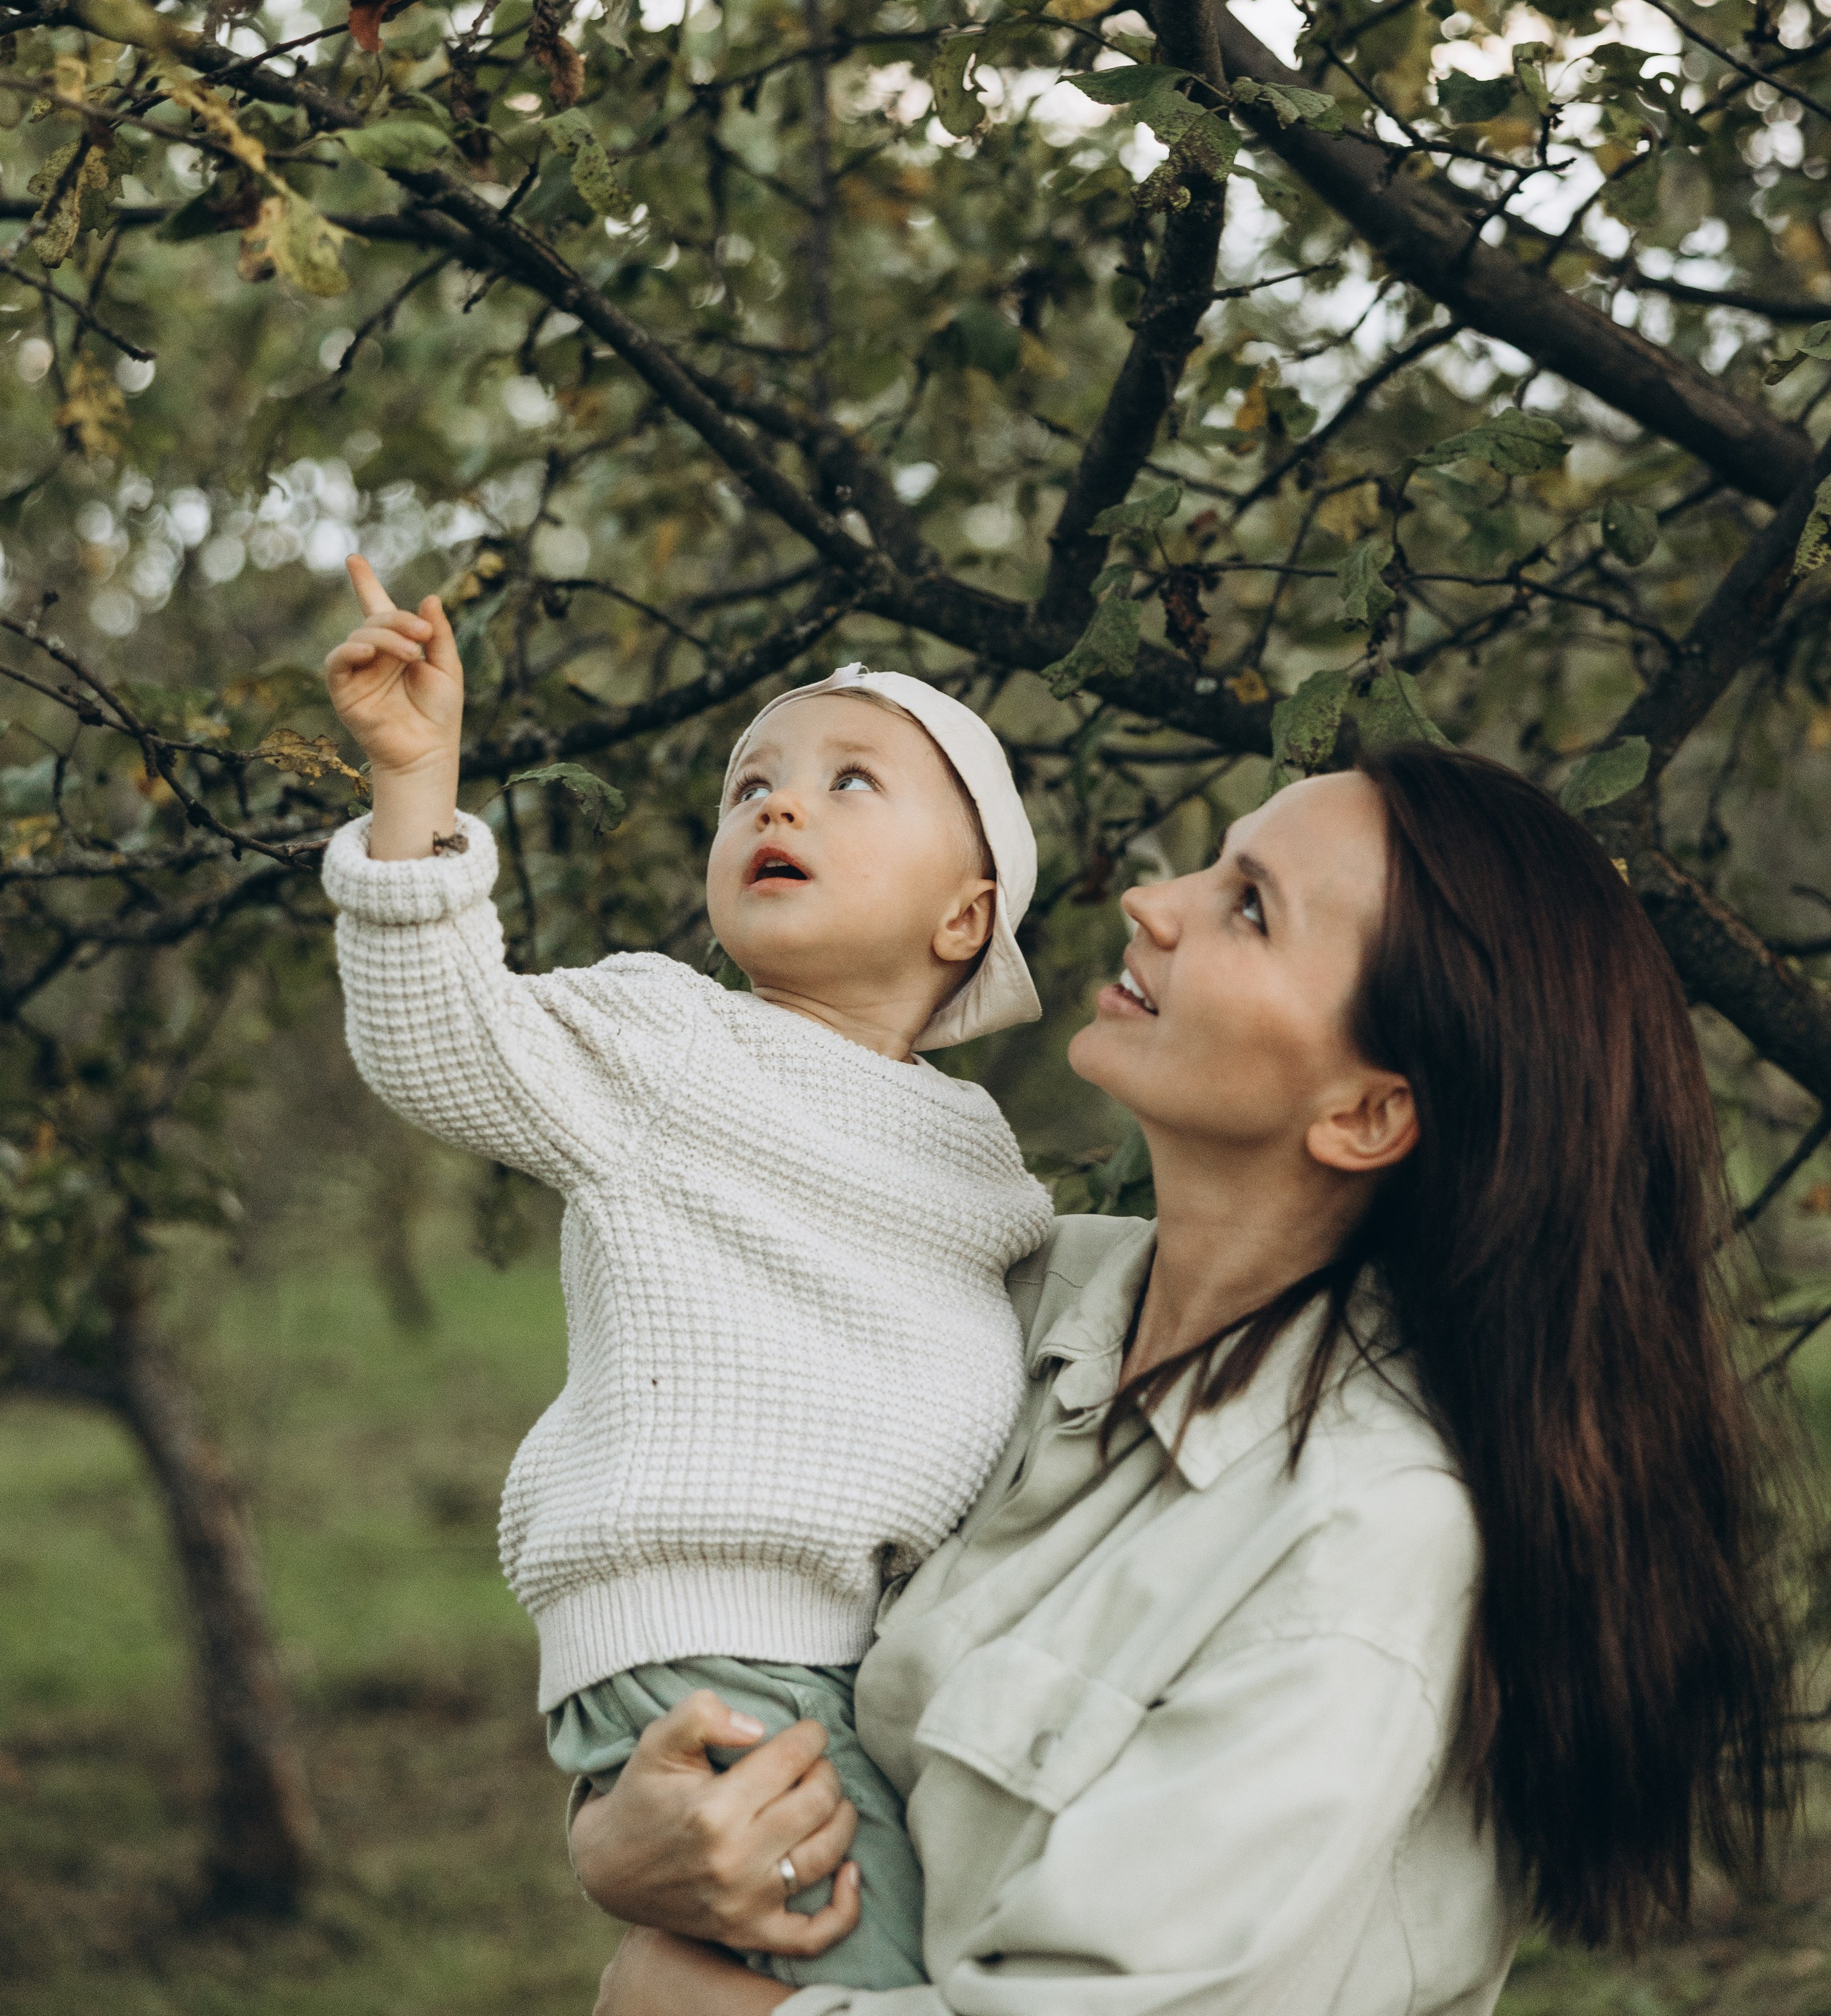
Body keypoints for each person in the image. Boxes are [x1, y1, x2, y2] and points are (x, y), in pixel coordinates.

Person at [571, 744, 1799, 2016]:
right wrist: (621, 1840)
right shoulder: (992, 1303)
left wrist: (686, 2001)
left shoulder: (1363, 1537)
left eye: (1249, 906)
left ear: (1369, 1113)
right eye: (1212, 865)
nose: (1156, 904)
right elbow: (731, 1604)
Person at [320, 556, 1055, 1991]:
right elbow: (439, 1041)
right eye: (748, 787)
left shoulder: (979, 1159)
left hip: (865, 1663)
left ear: (961, 920)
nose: (777, 802)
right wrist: (416, 786)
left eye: (852, 783)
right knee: (899, 1988)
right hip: (715, 1649)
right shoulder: (664, 1042)